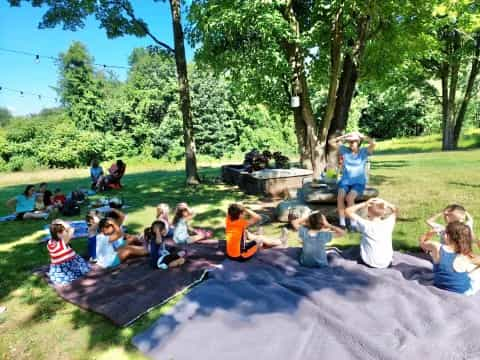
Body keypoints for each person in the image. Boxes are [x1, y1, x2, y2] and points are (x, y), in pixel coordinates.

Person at [329, 131, 376, 229]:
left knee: (349, 198)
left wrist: (362, 136)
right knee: (340, 196)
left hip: (358, 182)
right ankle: (342, 223)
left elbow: (374, 143)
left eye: (353, 141)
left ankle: (353, 223)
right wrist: (344, 136)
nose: (351, 144)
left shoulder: (364, 151)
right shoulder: (344, 150)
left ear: (358, 142)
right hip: (345, 181)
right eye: (349, 142)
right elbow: (331, 142)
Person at [420, 221, 480, 295]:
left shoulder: (436, 247)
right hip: (463, 292)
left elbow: (422, 243)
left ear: (447, 236)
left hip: (440, 286)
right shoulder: (467, 256)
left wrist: (430, 233)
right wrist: (476, 240)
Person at [345, 198, 397, 269]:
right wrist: (386, 203)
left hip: (368, 263)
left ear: (368, 212)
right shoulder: (389, 223)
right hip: (387, 263)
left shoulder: (365, 224)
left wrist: (364, 203)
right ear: (384, 212)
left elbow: (347, 211)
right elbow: (395, 210)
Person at [46, 219, 91, 285]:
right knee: (83, 269)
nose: (66, 232)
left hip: (57, 267)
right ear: (59, 234)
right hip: (68, 265)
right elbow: (71, 229)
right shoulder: (63, 242)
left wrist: (56, 223)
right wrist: (62, 222)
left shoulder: (50, 242)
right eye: (65, 231)